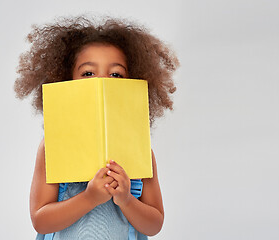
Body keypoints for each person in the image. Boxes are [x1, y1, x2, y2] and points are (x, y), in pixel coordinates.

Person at [14, 15, 179, 240]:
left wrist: (127, 200)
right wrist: (89, 198)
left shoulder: (140, 151)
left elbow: (154, 225)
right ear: (65, 80)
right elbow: (41, 221)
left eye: (116, 74)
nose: (102, 82)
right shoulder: (53, 147)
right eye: (88, 73)